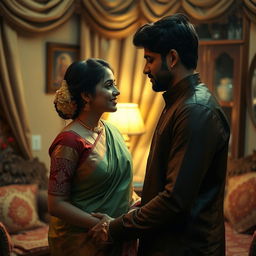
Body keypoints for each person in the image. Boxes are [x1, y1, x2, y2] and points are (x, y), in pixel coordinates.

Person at [91, 13, 230, 256]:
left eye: (150, 59)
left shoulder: (195, 110)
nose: (145, 69)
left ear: (173, 58)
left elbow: (174, 200)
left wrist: (115, 228)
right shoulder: (180, 103)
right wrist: (130, 215)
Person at [47, 58, 138, 256]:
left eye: (115, 84)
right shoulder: (69, 141)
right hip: (80, 243)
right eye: (108, 85)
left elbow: (125, 187)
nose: (117, 91)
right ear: (87, 95)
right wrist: (103, 224)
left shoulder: (112, 131)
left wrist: (129, 213)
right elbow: (56, 204)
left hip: (115, 235)